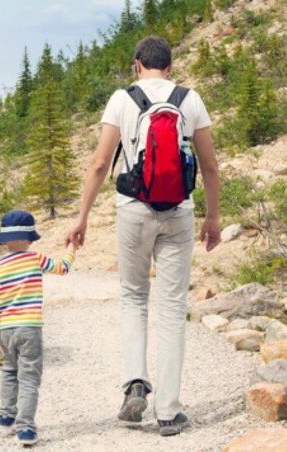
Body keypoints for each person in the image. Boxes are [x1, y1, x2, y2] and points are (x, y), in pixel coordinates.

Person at [64, 35, 221, 437]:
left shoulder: (122, 98)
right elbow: (210, 165)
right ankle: (168, 411)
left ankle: (135, 383)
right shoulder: (190, 98)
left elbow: (101, 162)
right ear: (170, 66)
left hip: (133, 210)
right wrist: (213, 218)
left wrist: (81, 217)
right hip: (179, 213)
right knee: (171, 307)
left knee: (134, 297)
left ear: (137, 65)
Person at [0, 209, 76, 446]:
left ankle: (5, 419)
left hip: (4, 330)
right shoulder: (35, 259)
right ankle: (25, 428)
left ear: (4, 241)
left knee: (9, 371)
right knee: (30, 377)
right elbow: (62, 268)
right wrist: (72, 250)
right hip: (29, 328)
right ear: (30, 238)